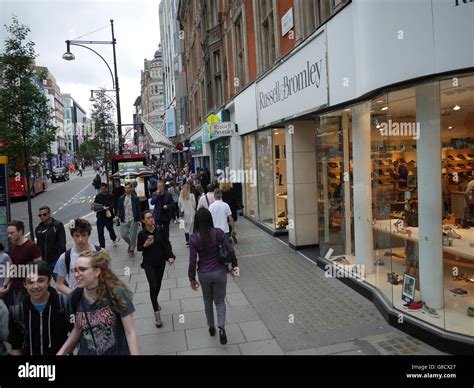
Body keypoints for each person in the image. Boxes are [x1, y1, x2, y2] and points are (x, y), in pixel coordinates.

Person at [57, 250, 139, 355]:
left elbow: (130, 332)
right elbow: (78, 329)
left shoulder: (116, 293)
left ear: (97, 272)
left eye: (82, 269)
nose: (76, 275)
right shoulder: (74, 298)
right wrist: (62, 352)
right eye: (75, 270)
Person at [188, 208, 239, 345]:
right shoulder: (218, 233)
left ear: (197, 221)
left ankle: (211, 327)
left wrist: (191, 278)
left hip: (204, 273)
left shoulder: (193, 238)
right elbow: (230, 249)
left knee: (207, 300)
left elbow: (192, 260)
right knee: (220, 301)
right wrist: (235, 265)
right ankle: (221, 327)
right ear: (210, 219)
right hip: (219, 271)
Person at [8, 261, 72, 355]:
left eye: (40, 280)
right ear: (25, 284)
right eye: (30, 282)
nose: (36, 286)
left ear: (49, 281)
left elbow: (76, 335)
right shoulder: (17, 312)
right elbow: (16, 347)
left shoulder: (64, 304)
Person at [137, 210, 175, 328]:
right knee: (153, 285)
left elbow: (167, 243)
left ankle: (155, 301)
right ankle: (156, 313)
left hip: (160, 262)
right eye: (148, 218)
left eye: (151, 217)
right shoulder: (142, 234)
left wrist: (170, 256)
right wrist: (145, 245)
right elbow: (138, 248)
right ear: (143, 221)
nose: (151, 219)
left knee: (157, 284)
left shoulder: (159, 229)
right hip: (149, 263)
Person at [54, 219, 101, 295]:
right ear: (72, 235)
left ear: (89, 234)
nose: (80, 239)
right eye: (77, 235)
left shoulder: (100, 253)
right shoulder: (65, 257)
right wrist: (74, 295)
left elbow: (108, 277)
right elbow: (59, 284)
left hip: (98, 296)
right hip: (77, 301)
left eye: (83, 235)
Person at [4, 221, 42, 306]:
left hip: (28, 287)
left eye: (12, 233)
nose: (9, 236)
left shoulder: (31, 246)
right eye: (8, 233)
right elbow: (11, 267)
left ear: (20, 232)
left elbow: (40, 268)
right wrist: (5, 284)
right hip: (15, 287)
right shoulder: (12, 247)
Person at [35, 206, 66, 278]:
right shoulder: (38, 229)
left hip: (55, 260)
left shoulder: (57, 225)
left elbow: (62, 242)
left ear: (49, 214)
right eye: (40, 215)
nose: (42, 216)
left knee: (59, 281)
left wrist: (61, 258)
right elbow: (38, 245)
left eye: (44, 214)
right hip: (44, 261)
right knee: (44, 283)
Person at [92, 183, 120, 248]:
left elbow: (113, 204)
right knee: (100, 232)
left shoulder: (111, 195)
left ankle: (114, 239)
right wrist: (94, 207)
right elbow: (95, 203)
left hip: (108, 216)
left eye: (104, 189)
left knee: (110, 229)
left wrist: (109, 207)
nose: (102, 190)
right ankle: (102, 246)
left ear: (107, 189)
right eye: (101, 189)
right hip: (100, 216)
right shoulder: (98, 196)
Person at [117, 182, 141, 258]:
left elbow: (138, 209)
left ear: (131, 188)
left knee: (133, 235)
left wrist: (139, 218)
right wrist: (118, 215)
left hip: (133, 218)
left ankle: (132, 249)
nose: (127, 189)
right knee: (123, 235)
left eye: (129, 188)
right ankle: (130, 244)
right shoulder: (121, 198)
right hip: (124, 219)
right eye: (126, 188)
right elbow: (118, 208)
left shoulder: (135, 198)